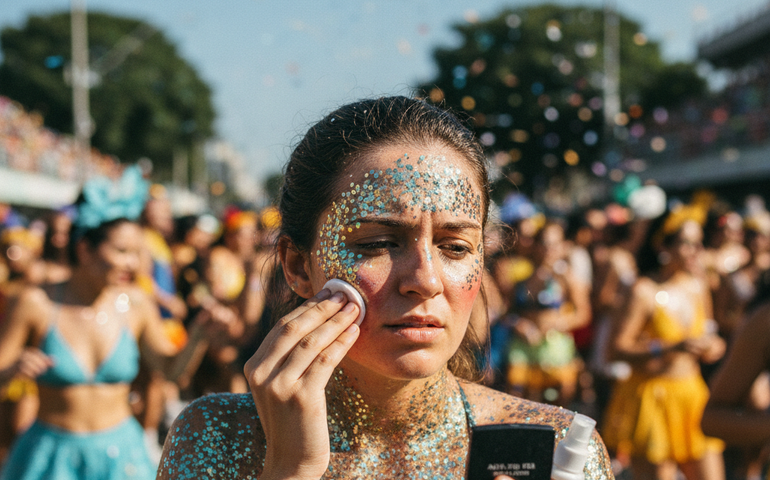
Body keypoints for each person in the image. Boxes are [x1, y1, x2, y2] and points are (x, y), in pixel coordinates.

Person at [157, 96, 613, 479]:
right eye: (377, 243)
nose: (425, 280)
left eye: (455, 247)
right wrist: (290, 468)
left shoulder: (557, 453)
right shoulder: (215, 437)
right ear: (298, 265)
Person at [0, 166, 212, 480]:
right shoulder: (36, 303)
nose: (134, 263)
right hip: (49, 457)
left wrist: (199, 334)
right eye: (122, 251)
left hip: (121, 456)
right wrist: (13, 368)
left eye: (137, 253)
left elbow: (169, 370)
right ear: (85, 249)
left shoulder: (137, 304)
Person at [602, 205, 726, 480]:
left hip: (692, 396)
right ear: (664, 245)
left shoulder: (698, 286)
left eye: (698, 243)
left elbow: (710, 334)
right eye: (687, 243)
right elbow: (617, 350)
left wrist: (713, 347)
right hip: (652, 401)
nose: (696, 250)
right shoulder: (643, 291)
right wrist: (669, 347)